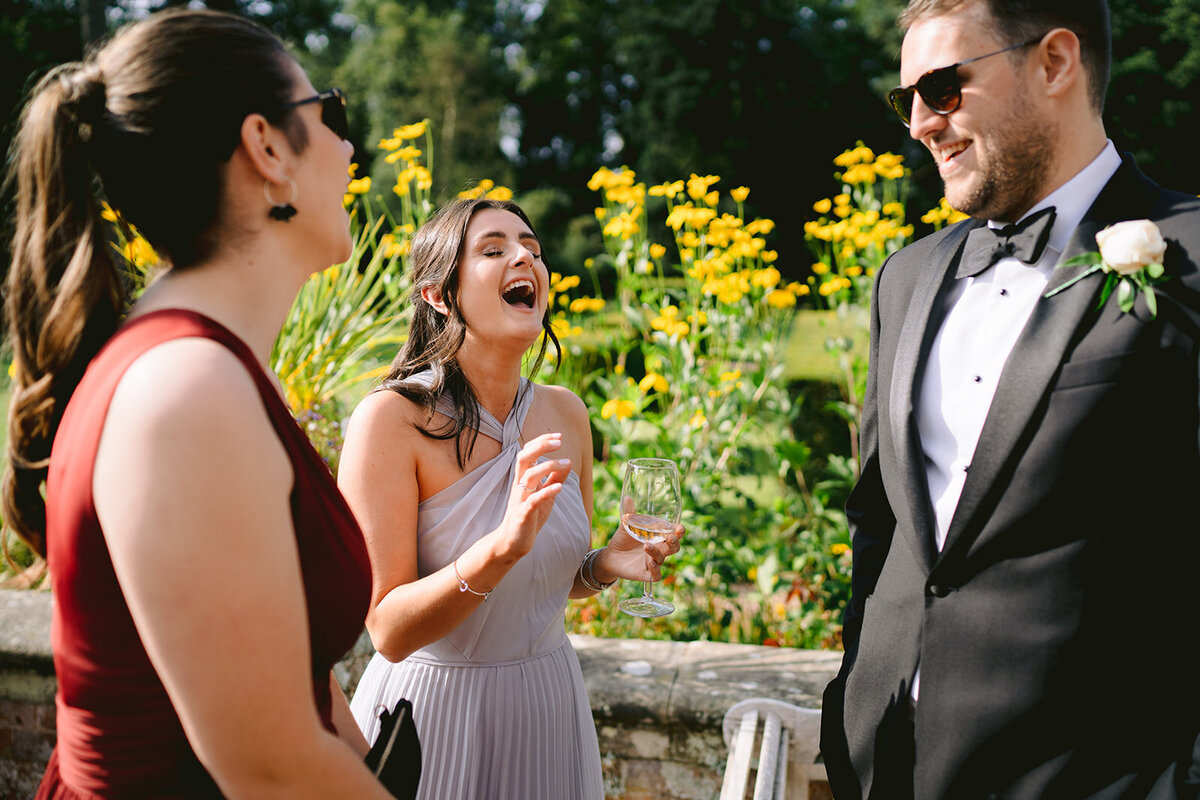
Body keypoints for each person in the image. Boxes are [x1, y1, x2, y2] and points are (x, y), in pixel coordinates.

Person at [2, 9, 402, 798]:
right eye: (332, 115)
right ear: (266, 148)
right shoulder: (187, 393)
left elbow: (292, 689)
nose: (351, 150)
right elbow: (271, 770)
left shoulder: (203, 373)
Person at [819, 0, 1200, 797]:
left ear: (1055, 62)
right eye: (906, 100)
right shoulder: (906, 277)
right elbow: (878, 525)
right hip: (885, 764)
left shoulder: (1190, 255)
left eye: (944, 87)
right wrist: (850, 709)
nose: (920, 123)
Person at [338, 196, 683, 799]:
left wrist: (606, 565)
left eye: (532, 248)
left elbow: (548, 583)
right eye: (493, 249)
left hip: (548, 708)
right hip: (436, 716)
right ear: (437, 295)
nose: (526, 256)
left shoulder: (565, 413)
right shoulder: (390, 422)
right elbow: (387, 629)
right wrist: (501, 545)